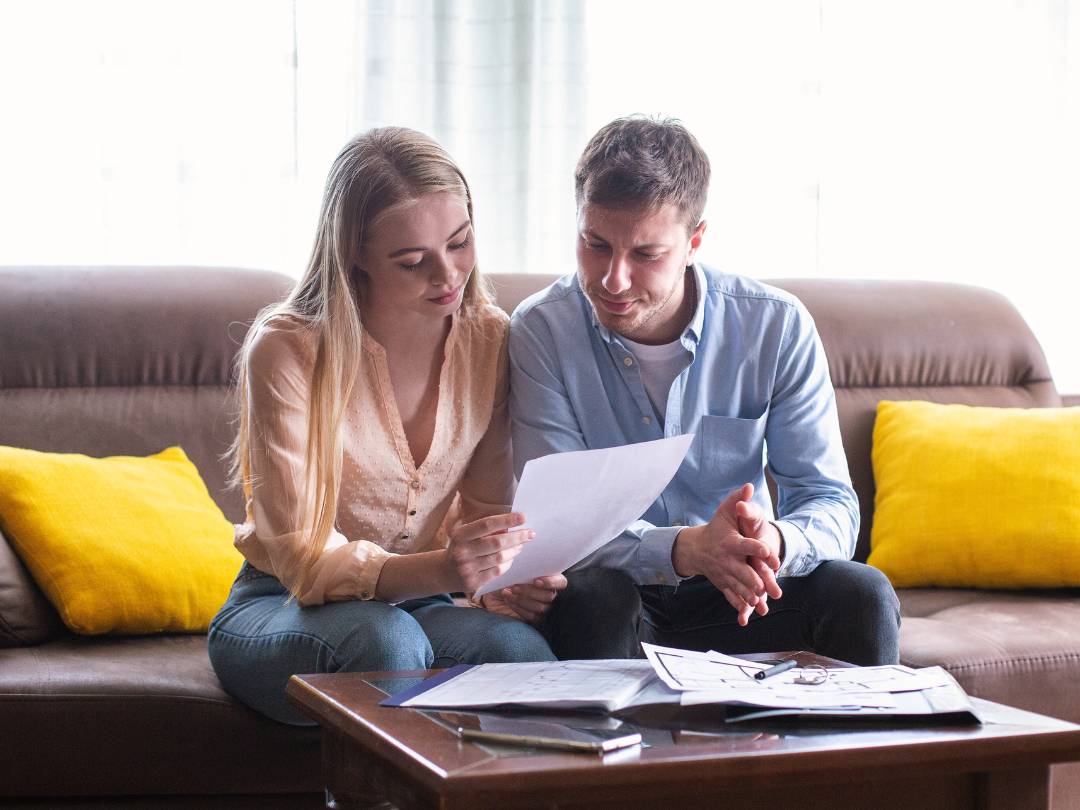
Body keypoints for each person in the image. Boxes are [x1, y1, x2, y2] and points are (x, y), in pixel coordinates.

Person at [505, 116, 900, 666]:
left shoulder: (775, 326)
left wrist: (774, 544)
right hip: (618, 594)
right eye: (595, 244)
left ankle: (848, 755)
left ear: (694, 242)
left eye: (646, 254)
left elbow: (830, 500)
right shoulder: (541, 329)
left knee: (863, 595)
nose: (613, 279)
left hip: (743, 594)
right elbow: (561, 524)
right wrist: (685, 550)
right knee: (599, 598)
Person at [208, 127, 563, 725]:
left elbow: (484, 508)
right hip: (279, 601)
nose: (447, 274)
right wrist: (446, 569)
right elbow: (301, 557)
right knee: (387, 643)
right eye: (412, 261)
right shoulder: (289, 349)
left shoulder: (489, 336)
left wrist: (499, 576)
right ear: (356, 256)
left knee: (518, 653)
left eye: (460, 242)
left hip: (423, 602)